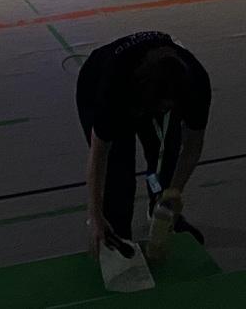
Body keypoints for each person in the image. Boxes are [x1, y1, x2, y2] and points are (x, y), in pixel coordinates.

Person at [76, 31, 212, 291]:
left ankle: (158, 208)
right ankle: (117, 236)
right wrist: (94, 214)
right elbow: (98, 155)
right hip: (94, 85)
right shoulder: (114, 87)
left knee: (167, 153)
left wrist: (174, 191)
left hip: (152, 92)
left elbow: (192, 146)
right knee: (119, 175)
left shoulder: (194, 83)